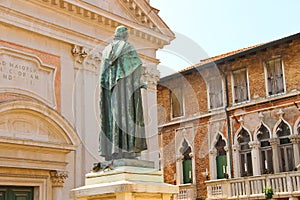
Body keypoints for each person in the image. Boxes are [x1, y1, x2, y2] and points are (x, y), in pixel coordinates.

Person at [98, 26, 147, 161]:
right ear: (124, 35)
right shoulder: (127, 47)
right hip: (125, 90)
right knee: (128, 116)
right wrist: (138, 83)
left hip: (110, 91)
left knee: (113, 117)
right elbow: (136, 66)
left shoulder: (106, 50)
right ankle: (127, 150)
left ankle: (113, 150)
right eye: (127, 34)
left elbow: (103, 76)